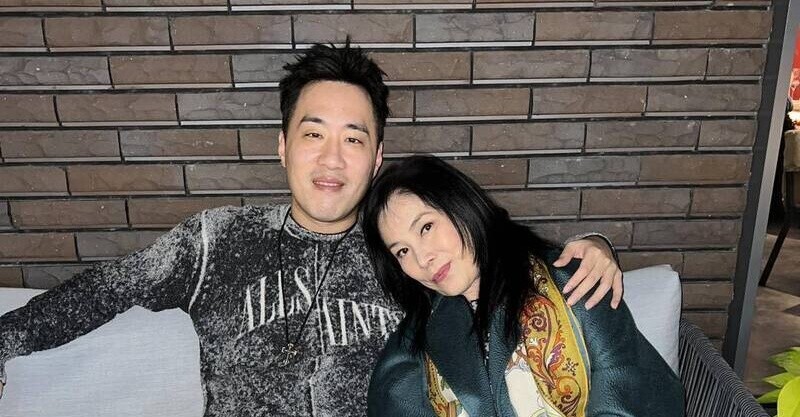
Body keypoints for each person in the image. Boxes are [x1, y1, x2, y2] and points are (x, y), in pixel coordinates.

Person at [0, 43, 622, 416]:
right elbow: (106, 288)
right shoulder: (217, 241)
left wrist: (593, 248)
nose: (331, 159)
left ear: (376, 159)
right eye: (313, 133)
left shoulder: (406, 251)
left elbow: (494, 254)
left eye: (353, 139)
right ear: (282, 146)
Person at [361, 155, 683, 417]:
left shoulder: (571, 281)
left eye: (426, 227)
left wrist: (599, 243)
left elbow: (625, 388)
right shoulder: (417, 338)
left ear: (460, 206)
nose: (422, 259)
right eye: (402, 251)